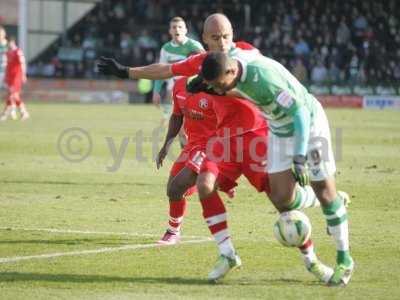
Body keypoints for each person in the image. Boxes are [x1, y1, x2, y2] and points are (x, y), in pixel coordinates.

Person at [98, 13, 334, 284]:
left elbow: (259, 86)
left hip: (257, 136)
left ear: (232, 35)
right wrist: (127, 71)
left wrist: (213, 90)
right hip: (223, 139)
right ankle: (227, 254)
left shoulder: (247, 53)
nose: (222, 42)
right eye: (215, 37)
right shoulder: (201, 63)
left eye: (226, 36)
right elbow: (166, 70)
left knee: (282, 202)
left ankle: (312, 261)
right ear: (204, 41)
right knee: (204, 184)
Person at [200, 51, 354, 286]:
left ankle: (344, 259)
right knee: (282, 198)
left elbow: (300, 112)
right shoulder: (232, 65)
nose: (219, 91)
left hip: (309, 127)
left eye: (220, 85)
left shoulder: (263, 80)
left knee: (323, 188)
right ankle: (328, 201)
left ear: (231, 72)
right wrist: (201, 83)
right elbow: (224, 71)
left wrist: (299, 157)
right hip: (279, 130)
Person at [152, 17, 204, 147]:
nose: (177, 29)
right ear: (170, 31)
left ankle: (195, 152)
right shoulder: (166, 49)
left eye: (180, 27)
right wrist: (156, 91)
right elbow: (160, 70)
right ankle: (186, 154)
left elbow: (206, 64)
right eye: (174, 27)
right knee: (180, 127)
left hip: (193, 90)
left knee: (193, 126)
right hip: (174, 91)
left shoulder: (195, 46)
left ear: (185, 30)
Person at [1, 36, 29, 121]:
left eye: (8, 43)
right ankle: (23, 112)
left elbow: (22, 63)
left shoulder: (18, 51)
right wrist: (5, 76)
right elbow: (7, 66)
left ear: (12, 42)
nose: (8, 45)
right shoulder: (8, 53)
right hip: (10, 77)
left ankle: (5, 113)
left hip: (17, 76)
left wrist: (24, 74)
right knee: (13, 95)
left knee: (12, 94)